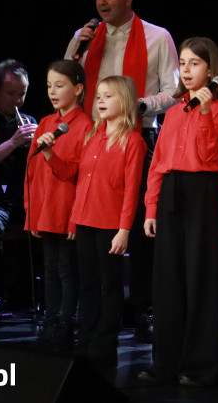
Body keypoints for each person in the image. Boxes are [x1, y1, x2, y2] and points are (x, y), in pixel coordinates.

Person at [65, 0, 179, 339]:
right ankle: (90, 314)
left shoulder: (157, 37)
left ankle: (142, 308)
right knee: (92, 227)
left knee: (138, 230)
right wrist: (76, 48)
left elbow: (174, 90)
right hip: (94, 140)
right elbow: (69, 80)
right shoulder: (86, 37)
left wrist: (143, 105)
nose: (102, 2)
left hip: (138, 137)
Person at [141, 37, 218, 387]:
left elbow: (211, 156)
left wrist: (207, 112)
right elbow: (158, 164)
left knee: (199, 280)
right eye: (184, 62)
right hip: (170, 194)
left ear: (211, 71)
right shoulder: (175, 110)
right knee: (167, 281)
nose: (187, 70)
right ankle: (166, 361)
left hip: (202, 195)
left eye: (196, 63)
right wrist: (151, 207)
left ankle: (201, 365)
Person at [70, 75, 146, 368]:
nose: (100, 101)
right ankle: (85, 338)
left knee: (108, 286)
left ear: (124, 101)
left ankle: (104, 344)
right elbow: (79, 180)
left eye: (108, 96)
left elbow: (130, 191)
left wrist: (124, 230)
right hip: (85, 221)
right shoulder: (91, 136)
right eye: (98, 96)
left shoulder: (133, 141)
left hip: (110, 224)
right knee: (87, 284)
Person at [25, 59, 93, 352]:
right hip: (45, 211)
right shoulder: (45, 122)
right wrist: (31, 213)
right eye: (50, 86)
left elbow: (72, 174)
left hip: (67, 211)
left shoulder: (86, 126)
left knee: (66, 269)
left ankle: (65, 323)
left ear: (78, 89)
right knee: (49, 269)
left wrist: (51, 152)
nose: (53, 91)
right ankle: (50, 321)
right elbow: (32, 173)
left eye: (60, 85)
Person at [0, 59, 36, 310]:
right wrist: (13, 143)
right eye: (11, 93)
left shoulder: (27, 120)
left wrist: (38, 146)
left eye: (22, 94)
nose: (18, 100)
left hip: (21, 196)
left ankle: (30, 295)